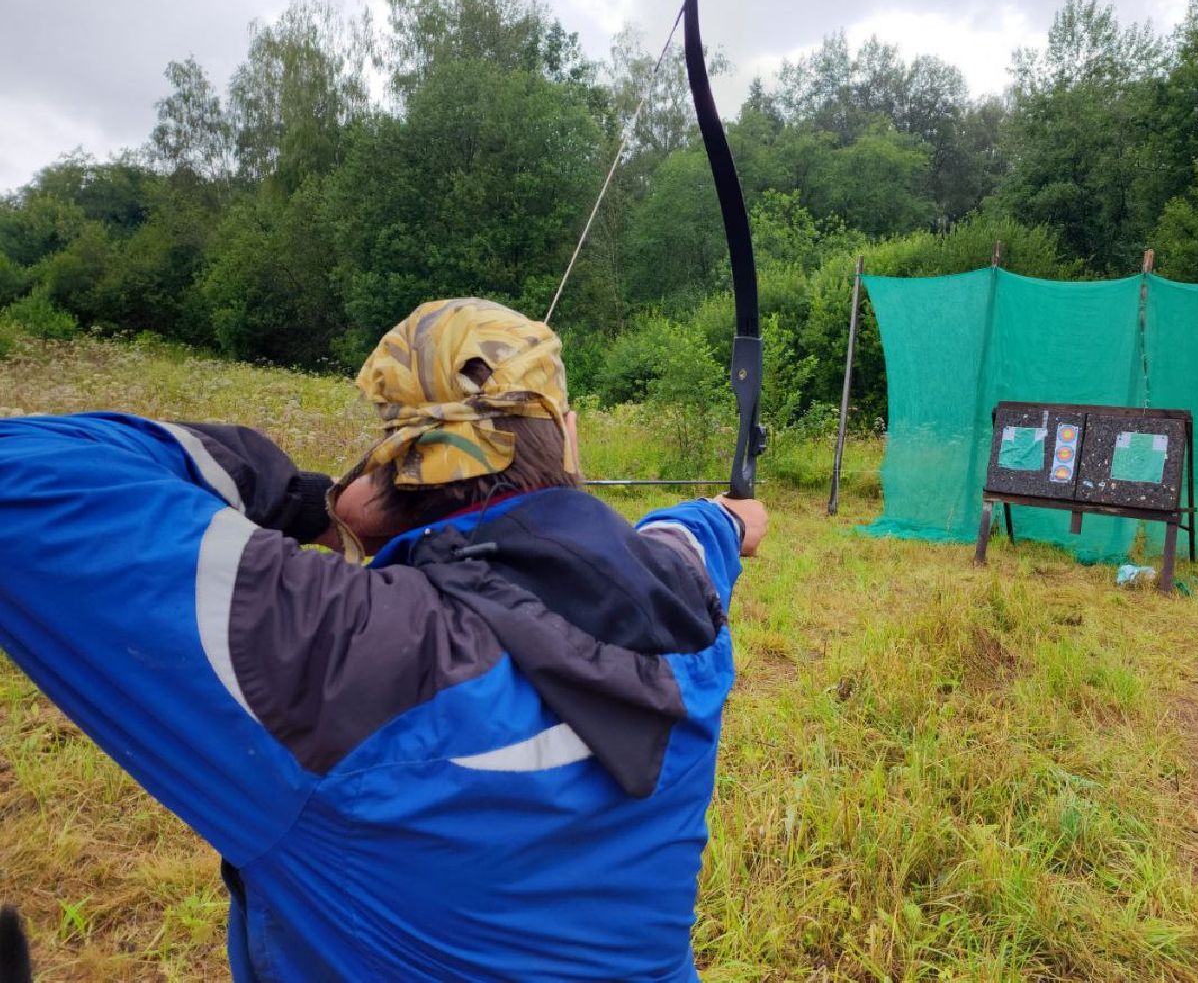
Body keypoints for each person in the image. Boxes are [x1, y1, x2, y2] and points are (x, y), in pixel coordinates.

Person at [0, 298, 767, 981]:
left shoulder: (343, 654)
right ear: (568, 437)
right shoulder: (683, 597)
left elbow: (24, 471)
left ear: (388, 471)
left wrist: (298, 500)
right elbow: (695, 532)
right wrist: (732, 517)